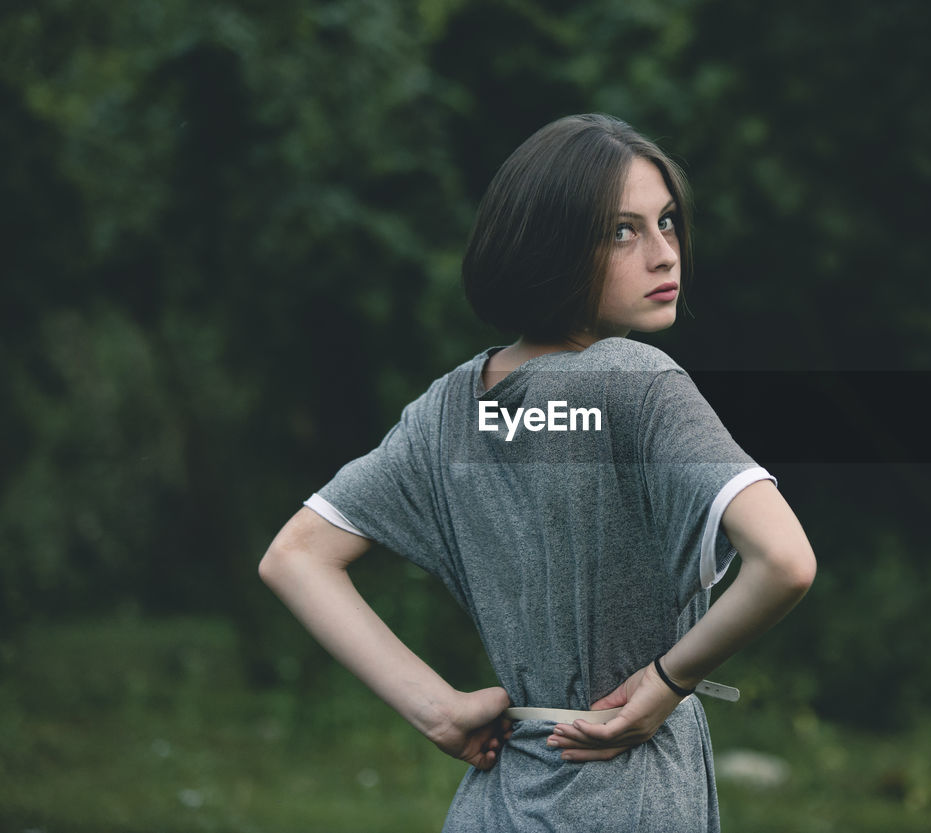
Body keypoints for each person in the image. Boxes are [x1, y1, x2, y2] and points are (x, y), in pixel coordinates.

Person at [258, 113, 816, 831]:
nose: (663, 254)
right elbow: (786, 561)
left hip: (496, 801)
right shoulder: (635, 382)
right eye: (622, 230)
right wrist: (665, 682)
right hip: (626, 797)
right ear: (550, 245)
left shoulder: (450, 409)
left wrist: (438, 710)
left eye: (667, 222)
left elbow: (294, 554)